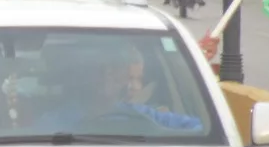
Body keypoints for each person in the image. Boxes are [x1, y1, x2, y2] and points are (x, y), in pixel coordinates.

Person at [35, 51, 202, 132]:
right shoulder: (54, 123)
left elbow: (200, 129)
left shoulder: (142, 115)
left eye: (138, 79)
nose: (135, 88)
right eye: (128, 78)